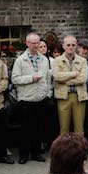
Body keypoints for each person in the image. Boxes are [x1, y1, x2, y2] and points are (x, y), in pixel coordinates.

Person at [11, 31, 53, 164]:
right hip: (26, 99)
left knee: (38, 128)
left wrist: (47, 93)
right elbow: (15, 79)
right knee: (25, 129)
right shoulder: (20, 60)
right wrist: (31, 78)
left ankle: (36, 153)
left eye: (37, 43)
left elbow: (48, 78)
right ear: (27, 43)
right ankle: (24, 154)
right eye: (33, 43)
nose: (36, 45)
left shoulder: (44, 59)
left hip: (41, 98)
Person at [51, 35, 88, 136]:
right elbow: (56, 76)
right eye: (68, 45)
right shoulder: (57, 60)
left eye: (73, 45)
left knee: (79, 128)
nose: (71, 47)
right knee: (64, 128)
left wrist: (65, 80)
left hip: (79, 96)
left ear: (76, 46)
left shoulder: (82, 61)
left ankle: (79, 146)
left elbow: (83, 79)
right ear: (63, 46)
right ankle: (64, 147)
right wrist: (73, 74)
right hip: (63, 97)